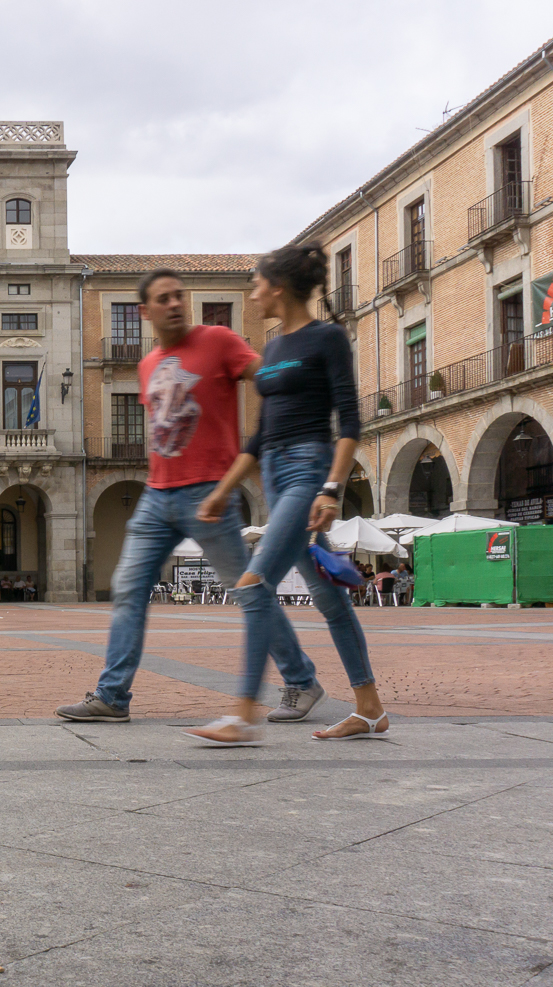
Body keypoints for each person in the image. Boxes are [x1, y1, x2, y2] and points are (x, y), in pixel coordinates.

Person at [60, 268, 324, 723]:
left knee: (248, 591)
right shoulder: (147, 364)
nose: (175, 304)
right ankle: (113, 696)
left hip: (209, 493)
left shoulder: (218, 340)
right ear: (145, 311)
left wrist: (299, 379)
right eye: (164, 298)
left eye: (179, 295)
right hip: (156, 494)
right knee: (128, 587)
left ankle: (301, 680)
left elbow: (269, 379)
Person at [186, 242, 388, 746]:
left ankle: (242, 714)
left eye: (256, 284)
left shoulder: (328, 338)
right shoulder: (273, 349)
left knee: (253, 584)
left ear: (278, 287)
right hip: (274, 475)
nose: (253, 294)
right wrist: (223, 491)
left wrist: (331, 489)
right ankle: (370, 709)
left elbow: (350, 423)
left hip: (307, 471)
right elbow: (258, 437)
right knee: (328, 597)